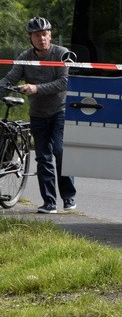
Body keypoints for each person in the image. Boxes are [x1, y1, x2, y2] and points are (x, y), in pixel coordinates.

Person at [0, 17, 77, 213]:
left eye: (45, 34)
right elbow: (10, 78)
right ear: (30, 38)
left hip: (60, 111)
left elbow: (64, 82)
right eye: (37, 35)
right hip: (38, 114)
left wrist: (36, 88)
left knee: (60, 151)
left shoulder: (61, 54)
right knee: (43, 158)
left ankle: (68, 196)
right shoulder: (25, 57)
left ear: (50, 35)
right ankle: (49, 202)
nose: (42, 38)